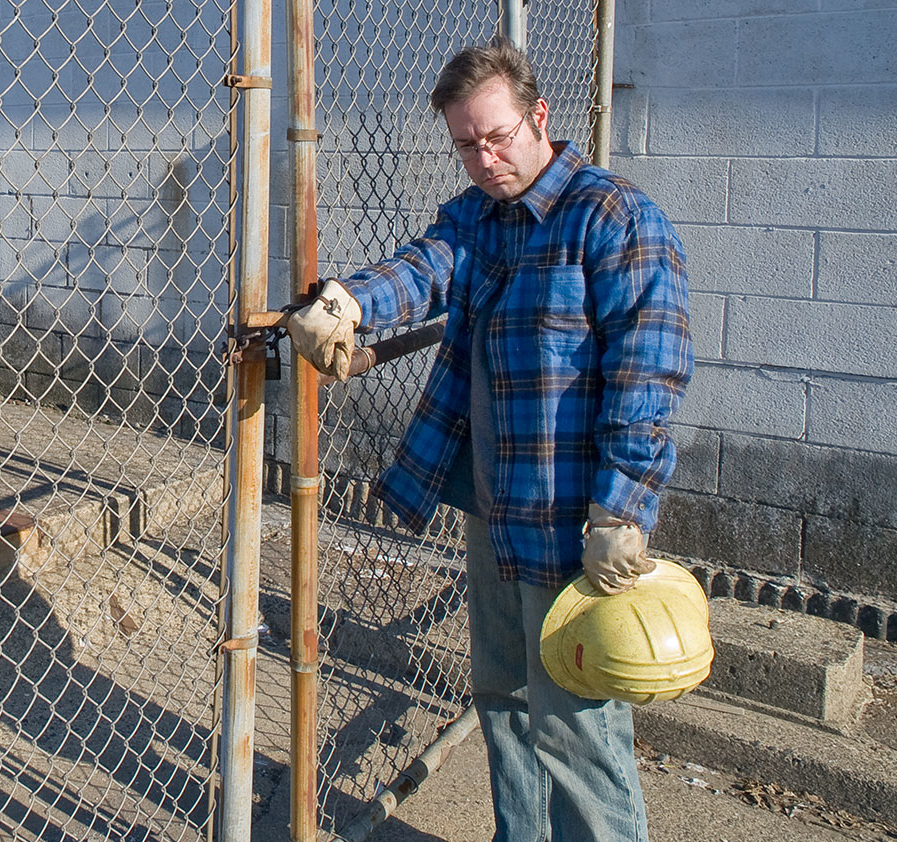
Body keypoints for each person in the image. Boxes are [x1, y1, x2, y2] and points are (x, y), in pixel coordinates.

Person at [286, 40, 692, 842]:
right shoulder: (477, 215)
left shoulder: (612, 219)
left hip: (574, 524)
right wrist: (349, 304)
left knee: (578, 727)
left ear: (539, 116)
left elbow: (650, 374)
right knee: (503, 700)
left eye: (497, 136)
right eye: (465, 144)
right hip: (493, 508)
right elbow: (425, 265)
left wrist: (623, 507)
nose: (483, 157)